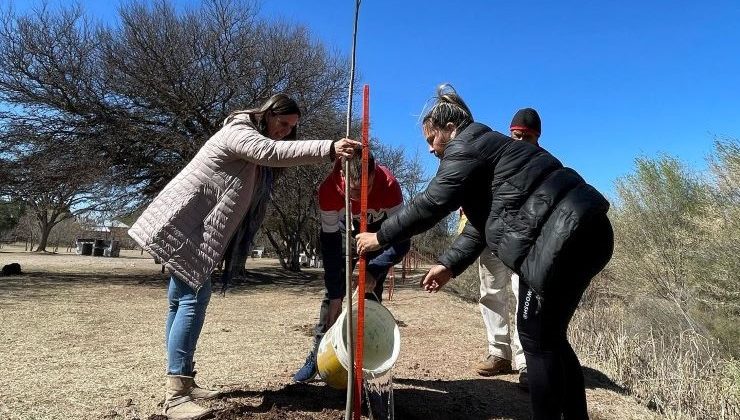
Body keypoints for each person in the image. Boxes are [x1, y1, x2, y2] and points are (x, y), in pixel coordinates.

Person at [356, 85, 613, 420]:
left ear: (450, 129)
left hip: (564, 239)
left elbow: (433, 202)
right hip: (591, 231)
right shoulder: (493, 150)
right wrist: (449, 264)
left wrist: (380, 237)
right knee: (550, 339)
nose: (432, 149)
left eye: (432, 139)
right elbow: (481, 225)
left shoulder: (466, 146)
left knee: (536, 339)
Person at [128, 94, 360, 419]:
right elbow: (271, 153)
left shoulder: (249, 135)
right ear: (267, 114)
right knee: (192, 298)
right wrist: (328, 148)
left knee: (181, 299)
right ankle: (176, 396)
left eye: (291, 127)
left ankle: (183, 380)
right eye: (282, 123)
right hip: (189, 225)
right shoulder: (239, 132)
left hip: (192, 225)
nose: (284, 132)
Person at [293, 153, 410, 383]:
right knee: (331, 297)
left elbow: (402, 241)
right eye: (354, 191)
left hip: (379, 234)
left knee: (370, 294)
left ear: (375, 175)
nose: (361, 196)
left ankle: (365, 366)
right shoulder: (329, 190)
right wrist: (337, 293)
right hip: (346, 231)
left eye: (367, 188)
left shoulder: (390, 185)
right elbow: (330, 246)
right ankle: (317, 355)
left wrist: (374, 270)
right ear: (342, 176)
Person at [471, 108, 542, 387]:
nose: (521, 140)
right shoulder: (496, 160)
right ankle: (498, 353)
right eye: (516, 135)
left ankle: (527, 364)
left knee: (523, 297)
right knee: (490, 293)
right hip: (493, 237)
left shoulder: (544, 164)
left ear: (537, 137)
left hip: (526, 242)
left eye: (527, 136)